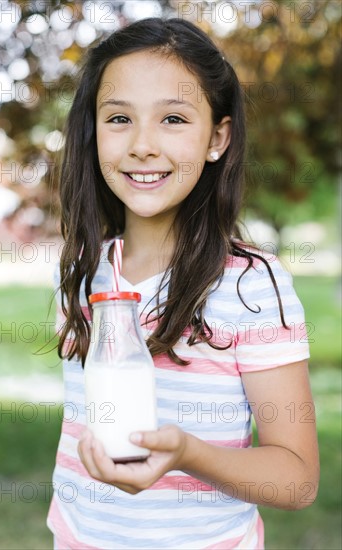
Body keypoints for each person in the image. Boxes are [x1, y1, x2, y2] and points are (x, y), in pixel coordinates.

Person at [47, 17, 319, 549]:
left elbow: (298, 478)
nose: (143, 145)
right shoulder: (84, 270)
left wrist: (188, 454)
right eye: (119, 118)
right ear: (93, 131)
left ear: (217, 137)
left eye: (173, 118)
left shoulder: (249, 286)